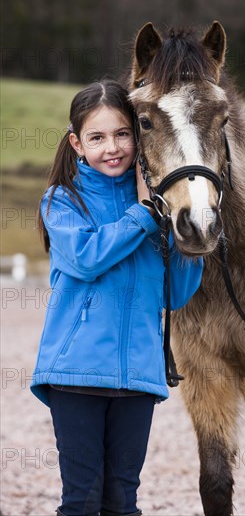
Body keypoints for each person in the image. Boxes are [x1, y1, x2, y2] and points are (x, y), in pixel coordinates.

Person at [30, 79, 203, 516]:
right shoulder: (62, 201)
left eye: (123, 134)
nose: (113, 147)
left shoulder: (155, 206)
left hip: (137, 379)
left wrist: (188, 238)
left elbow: (176, 295)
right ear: (77, 142)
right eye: (98, 137)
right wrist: (143, 216)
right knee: (83, 501)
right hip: (76, 376)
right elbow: (87, 259)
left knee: (123, 501)